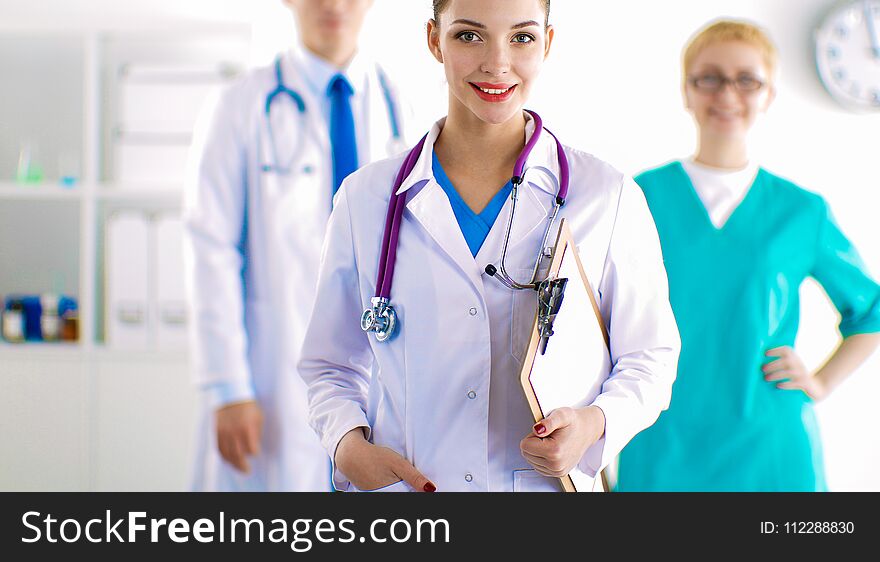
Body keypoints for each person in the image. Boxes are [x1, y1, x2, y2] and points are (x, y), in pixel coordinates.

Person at [297, 0, 680, 492]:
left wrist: (593, 423)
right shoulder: (366, 199)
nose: (497, 63)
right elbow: (329, 364)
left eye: (521, 38)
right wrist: (348, 446)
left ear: (548, 43)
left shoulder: (606, 195)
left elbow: (651, 356)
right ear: (435, 39)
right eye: (469, 36)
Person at [617, 20, 880, 492]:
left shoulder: (802, 212)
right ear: (686, 90)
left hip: (771, 447)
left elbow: (871, 310)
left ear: (769, 94)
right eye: (710, 77)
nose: (727, 93)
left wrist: (820, 382)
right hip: (662, 437)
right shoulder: (639, 197)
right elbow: (596, 316)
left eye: (747, 79)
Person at [183, 0, 411, 492]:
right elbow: (211, 251)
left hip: (376, 376)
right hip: (271, 380)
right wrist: (228, 388)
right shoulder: (239, 106)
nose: (333, 5)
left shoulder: (402, 108)